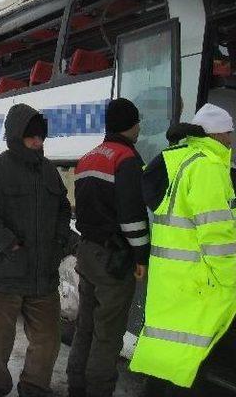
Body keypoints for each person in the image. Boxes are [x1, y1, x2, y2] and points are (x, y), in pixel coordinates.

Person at [130, 103, 236, 394]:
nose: (230, 140)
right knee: (190, 360)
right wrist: (231, 278)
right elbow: (217, 235)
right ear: (217, 135)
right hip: (199, 281)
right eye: (229, 133)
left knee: (168, 356)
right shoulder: (207, 167)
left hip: (171, 279)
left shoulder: (179, 159)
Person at [0, 103, 71, 397]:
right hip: (4, 277)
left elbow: (63, 209)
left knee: (48, 341)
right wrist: (8, 242)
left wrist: (61, 239)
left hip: (42, 277)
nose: (38, 142)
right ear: (16, 135)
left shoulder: (49, 171)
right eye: (31, 136)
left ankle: (35, 388)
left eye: (41, 137)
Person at [66, 98, 150, 397]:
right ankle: (98, 390)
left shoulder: (88, 157)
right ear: (131, 124)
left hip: (87, 252)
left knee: (85, 327)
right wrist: (141, 256)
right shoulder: (126, 159)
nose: (140, 127)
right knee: (108, 334)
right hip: (113, 260)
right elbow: (132, 219)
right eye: (137, 122)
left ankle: (76, 383)